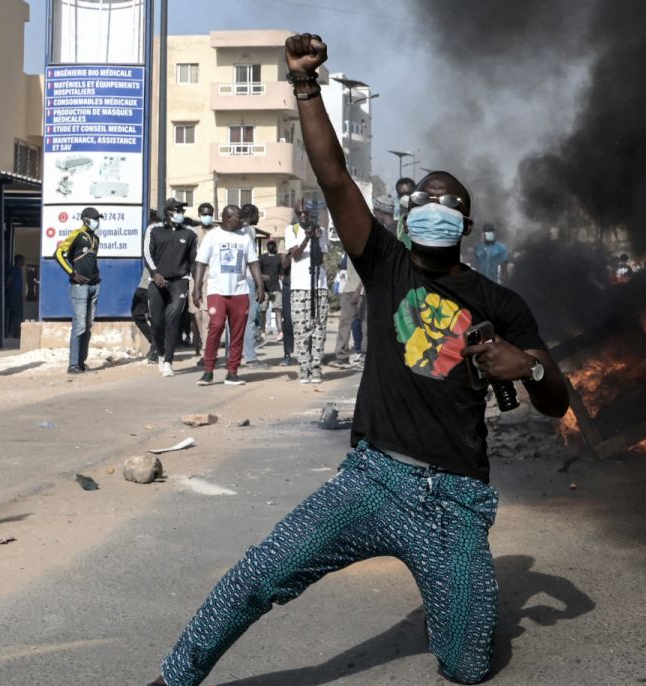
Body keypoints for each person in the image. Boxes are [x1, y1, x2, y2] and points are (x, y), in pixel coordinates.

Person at [152, 34, 570, 686]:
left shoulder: (500, 301)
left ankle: (449, 602)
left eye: (448, 203)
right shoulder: (385, 264)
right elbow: (333, 176)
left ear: (465, 222)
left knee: (467, 662)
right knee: (260, 574)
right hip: (370, 480)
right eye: (423, 200)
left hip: (452, 501)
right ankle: (172, 679)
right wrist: (303, 85)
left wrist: (532, 367)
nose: (433, 208)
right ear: (407, 215)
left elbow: (557, 398)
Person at [193, 205, 266, 386]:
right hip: (217, 290)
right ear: (228, 218)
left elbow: (253, 262)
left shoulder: (245, 238)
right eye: (238, 217)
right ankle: (208, 370)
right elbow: (200, 263)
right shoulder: (212, 236)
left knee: (237, 332)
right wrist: (196, 288)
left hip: (239, 291)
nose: (242, 220)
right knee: (216, 325)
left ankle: (232, 372)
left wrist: (260, 285)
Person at [145, 198, 199, 378]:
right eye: (178, 210)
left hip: (179, 281)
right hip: (157, 281)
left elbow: (194, 261)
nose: (181, 213)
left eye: (183, 210)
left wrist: (194, 284)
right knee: (157, 322)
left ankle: (168, 361)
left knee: (173, 318)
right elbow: (147, 253)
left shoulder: (190, 233)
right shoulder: (154, 230)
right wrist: (154, 273)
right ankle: (160, 353)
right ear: (168, 212)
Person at [56, 208, 102, 374]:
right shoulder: (77, 234)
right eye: (95, 218)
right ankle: (73, 364)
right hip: (79, 287)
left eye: (99, 218)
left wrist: (97, 279)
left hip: (94, 285)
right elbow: (59, 254)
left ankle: (82, 362)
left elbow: (92, 261)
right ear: (86, 219)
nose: (98, 221)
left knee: (88, 325)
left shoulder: (95, 238)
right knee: (79, 325)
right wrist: (73, 273)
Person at [286, 208, 330, 383]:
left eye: (307, 213)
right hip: (299, 287)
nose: (303, 215)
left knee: (319, 330)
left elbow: (319, 259)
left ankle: (316, 368)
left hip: (319, 287)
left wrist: (317, 239)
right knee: (300, 330)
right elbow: (295, 256)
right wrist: (306, 237)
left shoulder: (321, 232)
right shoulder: (292, 230)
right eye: (300, 213)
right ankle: (304, 369)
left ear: (313, 215)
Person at [237, 204, 267, 368]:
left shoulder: (236, 229)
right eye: (258, 215)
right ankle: (250, 357)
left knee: (233, 321)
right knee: (249, 320)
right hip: (248, 279)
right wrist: (259, 280)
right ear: (252, 214)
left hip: (236, 279)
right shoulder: (249, 231)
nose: (259, 218)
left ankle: (232, 355)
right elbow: (249, 258)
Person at [187, 203, 217, 358]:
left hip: (212, 277)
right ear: (199, 214)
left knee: (207, 315)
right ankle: (198, 345)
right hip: (195, 276)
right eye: (204, 214)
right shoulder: (192, 233)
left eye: (210, 214)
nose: (207, 217)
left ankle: (207, 351)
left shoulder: (217, 233)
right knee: (196, 314)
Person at [333, 253, 366, 366]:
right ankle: (342, 357)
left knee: (365, 325)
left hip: (361, 291)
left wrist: (357, 291)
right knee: (344, 323)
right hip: (347, 289)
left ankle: (365, 355)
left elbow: (367, 269)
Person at [134, 269, 156, 362]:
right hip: (143, 285)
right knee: (137, 315)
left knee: (155, 318)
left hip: (155, 285)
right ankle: (155, 342)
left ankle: (156, 350)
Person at [5, 254, 24, 338]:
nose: (24, 261)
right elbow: (9, 280)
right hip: (14, 294)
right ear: (18, 260)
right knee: (16, 313)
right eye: (22, 260)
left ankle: (17, 333)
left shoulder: (19, 270)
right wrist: (8, 288)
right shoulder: (15, 269)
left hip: (17, 294)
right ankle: (16, 334)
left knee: (18, 314)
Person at [394, 176, 417, 248]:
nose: (404, 198)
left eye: (407, 194)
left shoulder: (421, 214)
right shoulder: (400, 217)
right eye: (401, 194)